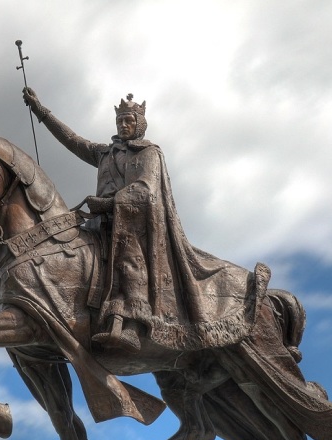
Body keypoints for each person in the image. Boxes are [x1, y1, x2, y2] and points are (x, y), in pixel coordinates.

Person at [22, 88, 270, 355]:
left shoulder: (149, 152)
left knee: (129, 257)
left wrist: (109, 203)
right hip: (101, 224)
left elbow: (146, 190)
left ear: (139, 124)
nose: (123, 125)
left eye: (129, 120)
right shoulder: (104, 153)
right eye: (120, 121)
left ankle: (132, 324)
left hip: (136, 224)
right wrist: (41, 111)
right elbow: (72, 140)